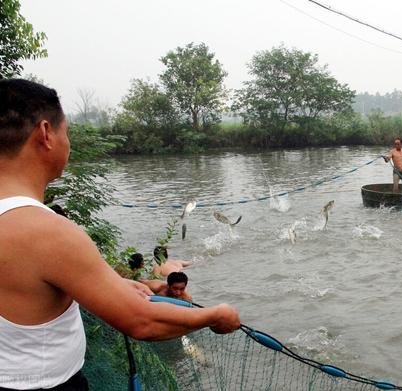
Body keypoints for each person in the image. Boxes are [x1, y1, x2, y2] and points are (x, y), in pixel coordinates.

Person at [0, 79, 240, 390]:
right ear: (46, 134)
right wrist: (215, 315)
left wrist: (113, 282)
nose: (67, 143)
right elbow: (142, 322)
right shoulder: (46, 231)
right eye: (67, 132)